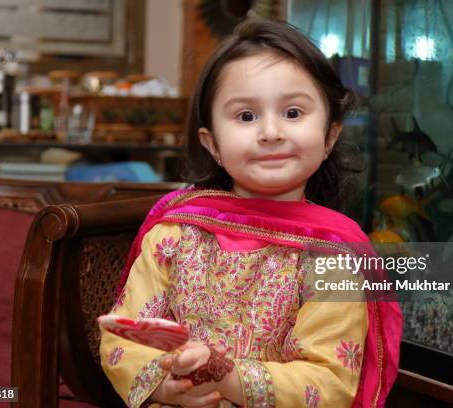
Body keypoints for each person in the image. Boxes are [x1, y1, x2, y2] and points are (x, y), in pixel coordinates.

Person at [100, 18, 402, 408]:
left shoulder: (332, 259)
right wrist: (166, 385)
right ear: (212, 145)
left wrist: (226, 376)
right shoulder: (175, 235)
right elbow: (125, 338)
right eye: (246, 116)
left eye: (293, 113)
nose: (271, 132)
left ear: (330, 136)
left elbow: (328, 382)